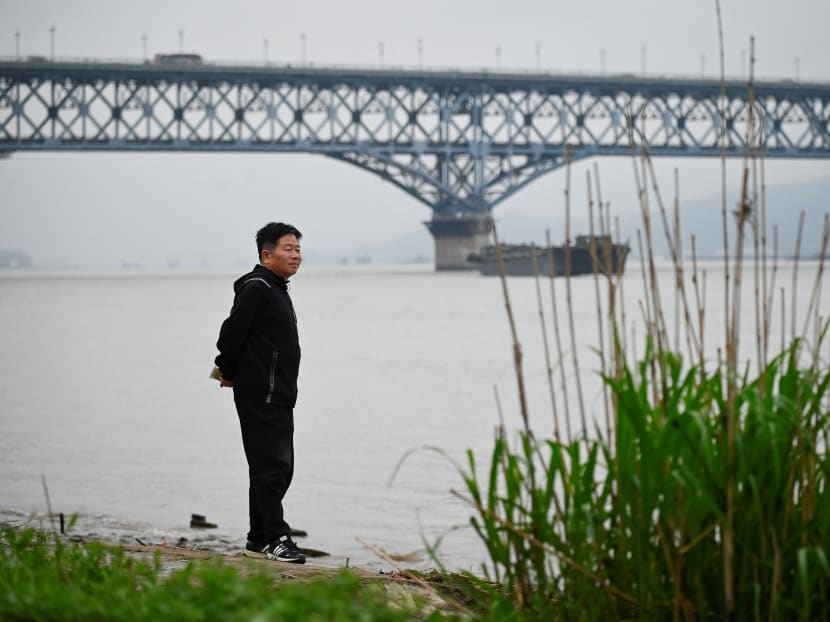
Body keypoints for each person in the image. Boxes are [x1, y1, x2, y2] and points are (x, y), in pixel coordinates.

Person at [214, 222, 305, 564]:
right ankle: (278, 537)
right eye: (288, 249)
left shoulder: (276, 287)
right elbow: (231, 333)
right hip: (261, 393)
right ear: (266, 255)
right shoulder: (257, 287)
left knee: (274, 467)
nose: (295, 255)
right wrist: (228, 369)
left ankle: (257, 538)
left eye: (297, 249)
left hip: (278, 392)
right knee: (273, 467)